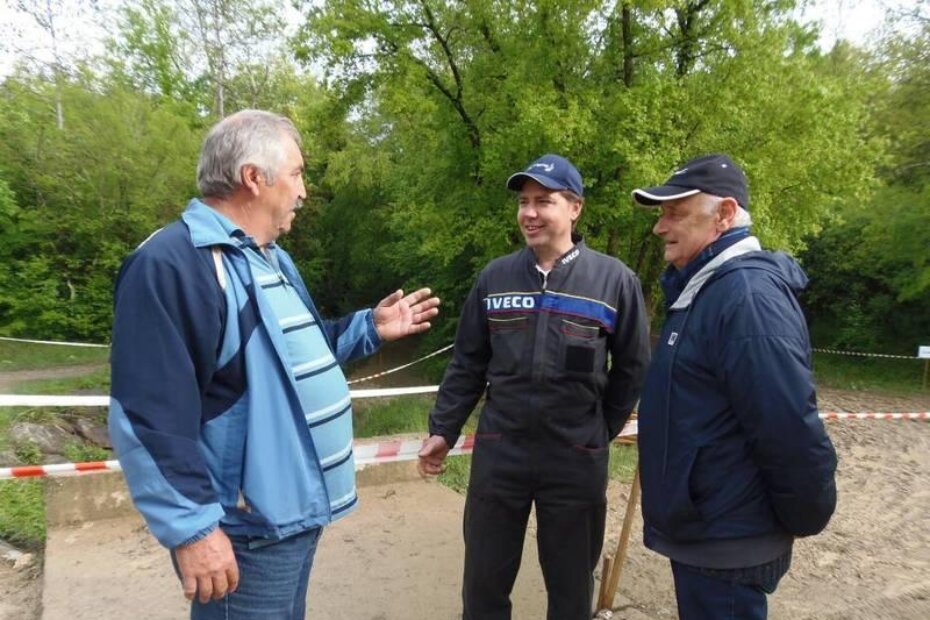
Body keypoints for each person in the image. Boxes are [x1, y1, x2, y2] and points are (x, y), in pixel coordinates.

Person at [108, 109, 440, 619]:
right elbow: (149, 415)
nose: (304, 191)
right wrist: (193, 529)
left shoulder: (269, 257)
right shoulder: (176, 263)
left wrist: (370, 328)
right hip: (243, 531)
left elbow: (295, 358)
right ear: (253, 178)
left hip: (292, 516)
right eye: (298, 173)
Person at [418, 154, 650, 619]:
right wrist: (443, 428)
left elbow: (632, 368)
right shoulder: (495, 278)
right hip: (500, 454)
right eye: (524, 202)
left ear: (575, 208)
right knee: (483, 586)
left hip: (575, 459)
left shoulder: (614, 281)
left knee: (569, 593)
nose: (529, 212)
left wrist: (595, 433)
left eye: (543, 201)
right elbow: (467, 363)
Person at [631, 153, 838, 619]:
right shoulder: (703, 288)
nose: (659, 228)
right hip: (708, 531)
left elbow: (787, 427)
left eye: (675, 213)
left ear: (724, 214)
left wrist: (806, 512)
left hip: (729, 540)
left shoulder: (746, 297)